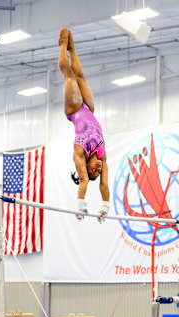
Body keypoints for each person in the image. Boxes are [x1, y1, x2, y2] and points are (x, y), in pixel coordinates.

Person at [58, 27, 109, 221]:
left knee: (69, 75)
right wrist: (105, 207)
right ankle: (71, 47)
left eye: (93, 169)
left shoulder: (79, 154)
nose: (97, 167)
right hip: (87, 109)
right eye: (98, 170)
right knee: (80, 76)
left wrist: (81, 205)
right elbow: (104, 185)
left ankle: (62, 45)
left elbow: (85, 180)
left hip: (74, 110)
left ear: (85, 167)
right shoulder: (103, 157)